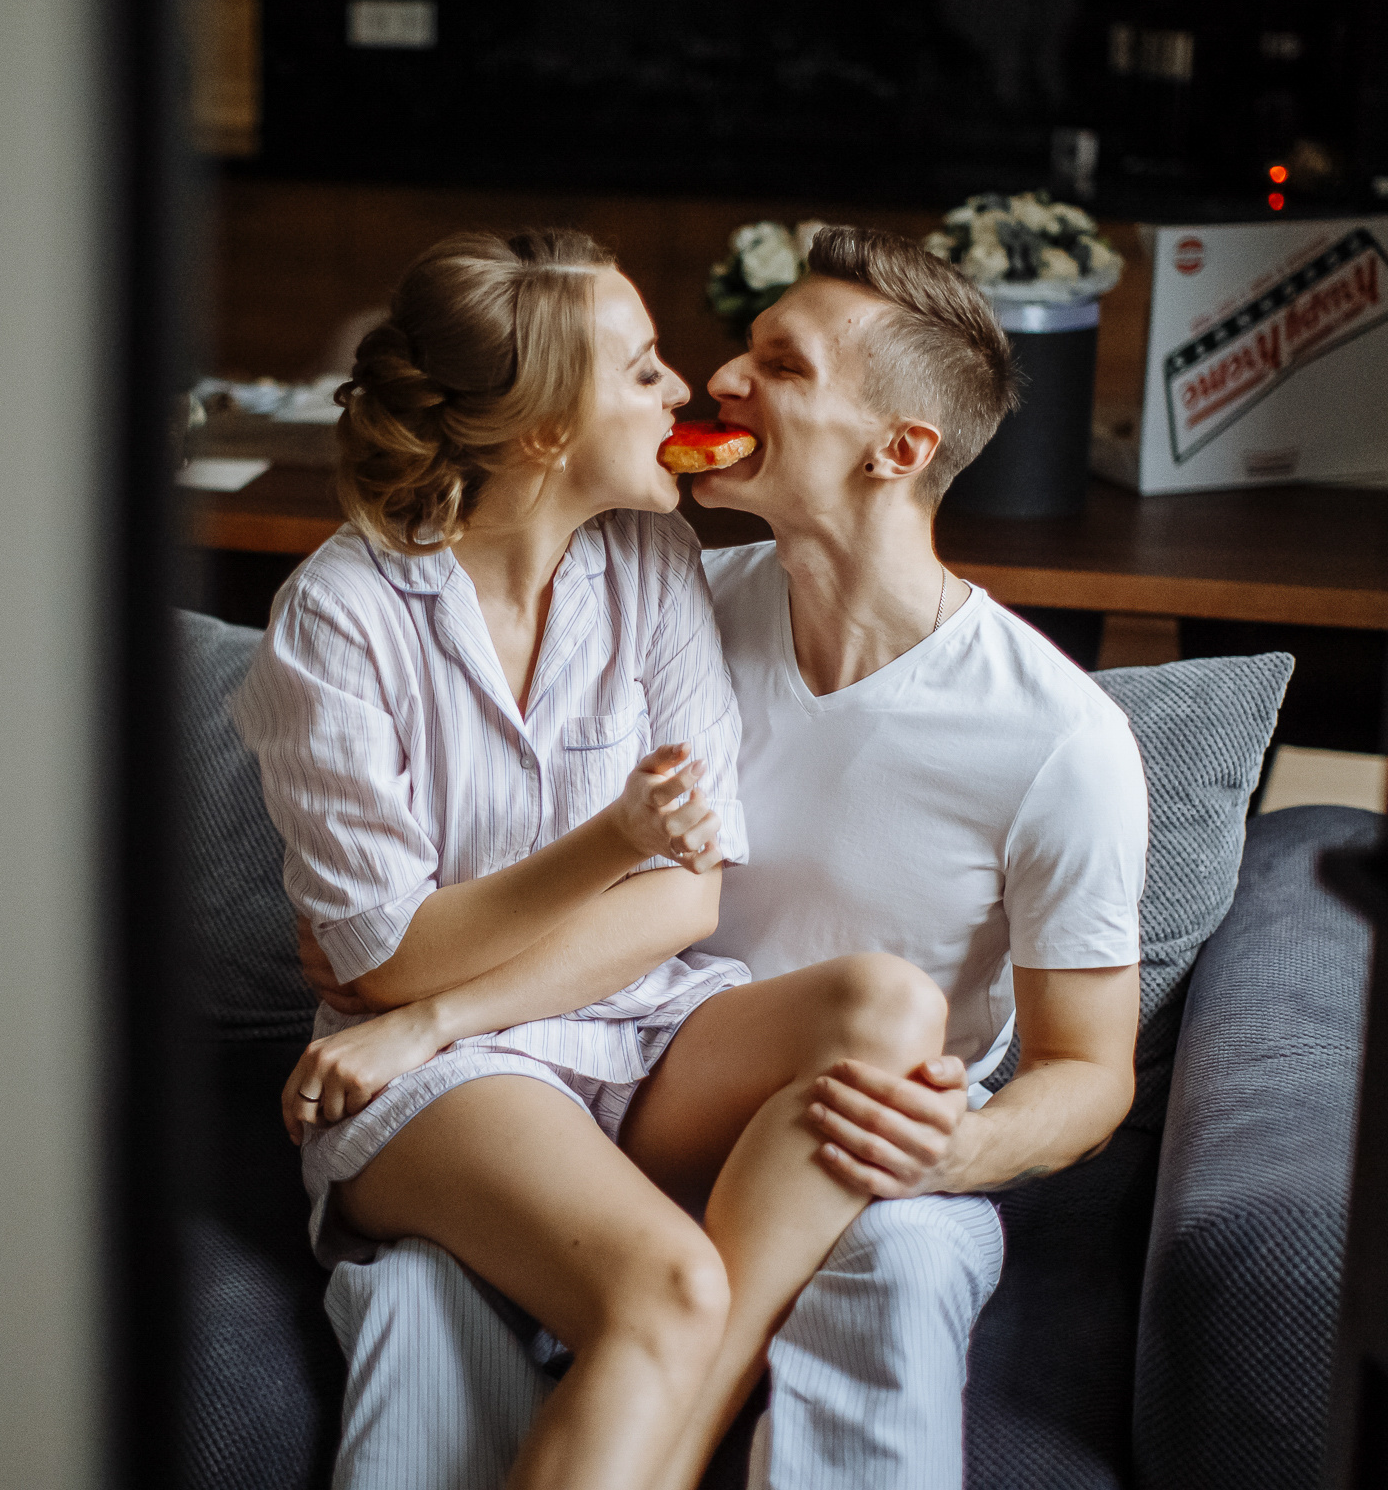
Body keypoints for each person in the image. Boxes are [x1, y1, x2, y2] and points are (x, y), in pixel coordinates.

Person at [310, 224, 1150, 1490]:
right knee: (428, 1283)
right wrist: (397, 966)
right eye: (738, 352)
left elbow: (1093, 1071)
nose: (720, 386)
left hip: (855, 1138)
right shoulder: (673, 589)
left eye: (782, 366)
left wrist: (954, 1149)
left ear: (900, 450)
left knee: (902, 1214)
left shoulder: (1060, 737)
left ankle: (668, 1415)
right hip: (616, 1068)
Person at [233, 228, 950, 1490]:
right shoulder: (339, 617)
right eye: (641, 371)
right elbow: (383, 957)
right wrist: (604, 844)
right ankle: (638, 1327)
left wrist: (439, 1002)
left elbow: (689, 894)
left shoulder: (651, 562)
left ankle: (630, 1382)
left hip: (612, 1028)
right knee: (668, 1285)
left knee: (886, 1003)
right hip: (440, 1086)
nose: (688, 390)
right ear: (544, 436)